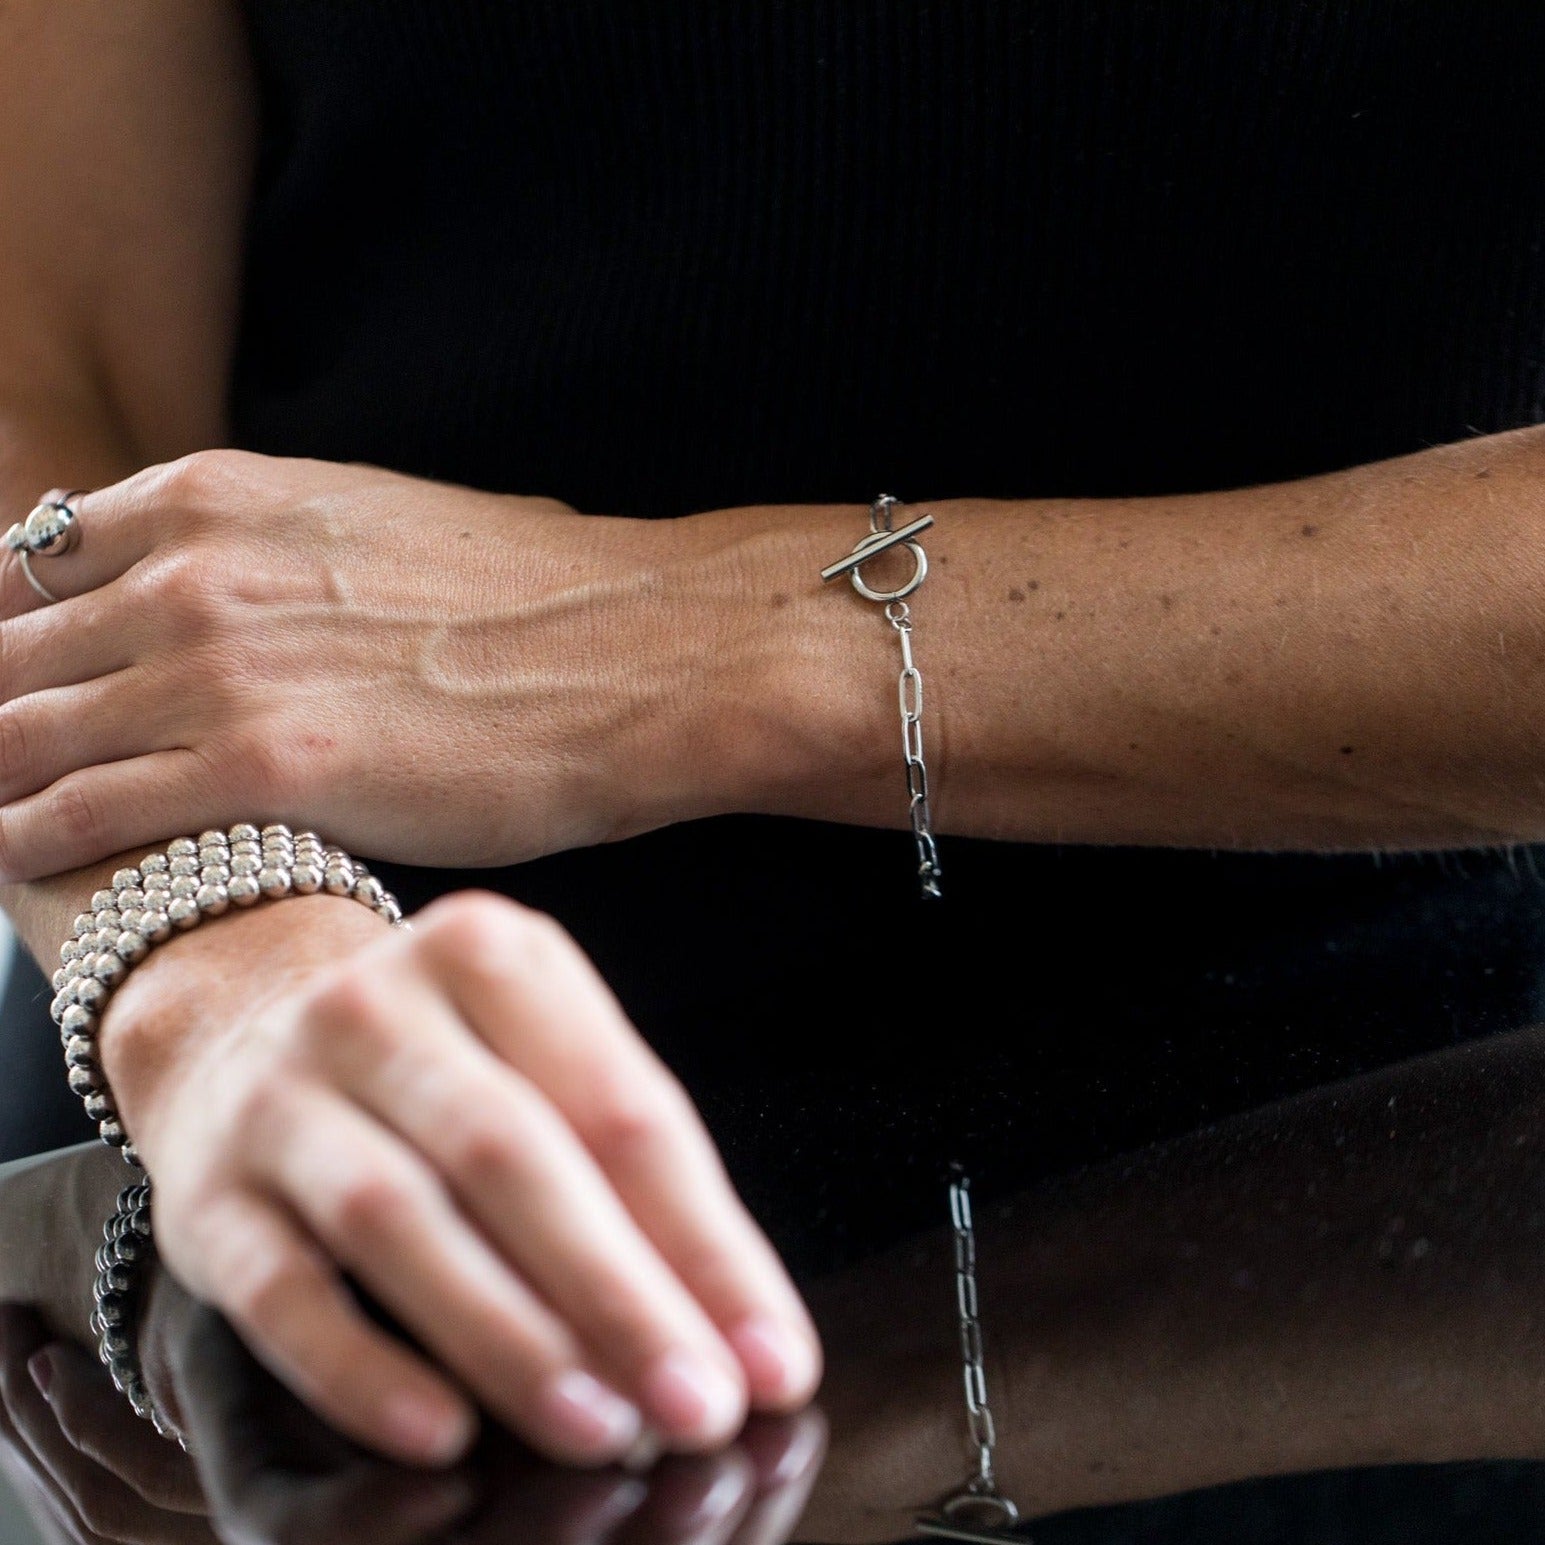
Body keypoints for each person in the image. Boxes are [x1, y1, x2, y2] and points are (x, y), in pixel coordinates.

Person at [2, 0, 1544, 1481]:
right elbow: (48, 365)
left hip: (1405, 1154)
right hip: (276, 1062)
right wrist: (207, 939)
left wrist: (675, 639)